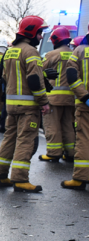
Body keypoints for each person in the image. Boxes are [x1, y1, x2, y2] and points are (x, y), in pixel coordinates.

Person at [0, 16, 50, 193]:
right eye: (39, 33)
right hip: (28, 108)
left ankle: (0, 175)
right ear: (32, 32)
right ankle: (20, 179)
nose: (40, 37)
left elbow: (2, 77)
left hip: (11, 107)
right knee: (25, 141)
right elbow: (33, 80)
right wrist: (44, 102)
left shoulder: (10, 51)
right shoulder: (31, 52)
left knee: (9, 139)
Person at [40, 27, 75, 163]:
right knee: (67, 125)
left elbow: (40, 71)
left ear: (55, 40)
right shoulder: (74, 53)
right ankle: (70, 153)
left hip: (54, 97)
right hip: (71, 97)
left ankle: (53, 153)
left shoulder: (52, 55)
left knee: (52, 124)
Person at [62, 33, 89, 189]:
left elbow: (72, 77)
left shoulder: (79, 51)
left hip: (85, 105)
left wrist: (85, 97)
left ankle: (80, 178)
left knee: (84, 140)